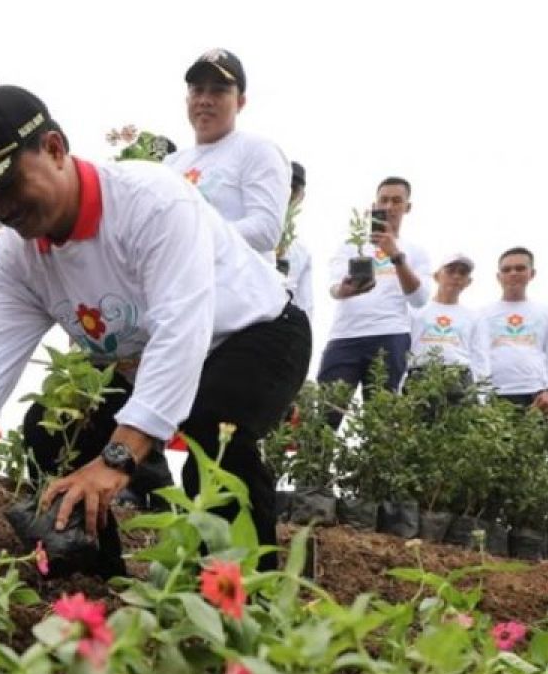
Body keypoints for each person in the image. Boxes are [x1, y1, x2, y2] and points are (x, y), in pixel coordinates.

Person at [0, 86, 311, 569]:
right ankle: (96, 573)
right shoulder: (17, 256)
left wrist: (117, 460)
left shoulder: (151, 201)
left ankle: (246, 587)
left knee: (214, 430)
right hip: (148, 356)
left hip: (259, 332)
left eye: (8, 183)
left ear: (53, 148)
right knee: (51, 431)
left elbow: (182, 331)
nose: (0, 207)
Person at [317, 177, 429, 424]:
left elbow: (419, 300)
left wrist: (396, 255)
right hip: (345, 337)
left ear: (407, 207)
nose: (389, 206)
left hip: (390, 336)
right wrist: (344, 290)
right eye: (384, 200)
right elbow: (333, 288)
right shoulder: (351, 245)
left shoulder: (415, 251)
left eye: (397, 201)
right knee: (325, 416)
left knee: (381, 422)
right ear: (373, 205)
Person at [164, 49, 290, 263]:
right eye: (198, 90)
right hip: (185, 291)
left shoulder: (256, 150)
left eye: (218, 91)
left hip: (239, 294)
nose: (205, 100)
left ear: (240, 102)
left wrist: (192, 239)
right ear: (187, 99)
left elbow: (265, 229)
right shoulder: (171, 164)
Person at [481, 247, 548, 413]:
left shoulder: (545, 314)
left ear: (532, 274)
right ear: (498, 277)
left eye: (520, 268)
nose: (513, 273)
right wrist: (480, 397)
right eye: (506, 269)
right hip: (494, 396)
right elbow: (476, 357)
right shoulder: (482, 315)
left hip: (536, 397)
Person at [407, 253, 489, 388]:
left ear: (468, 282)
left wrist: (482, 395)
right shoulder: (415, 311)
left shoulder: (474, 317)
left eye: (462, 273)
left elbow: (479, 357)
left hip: (459, 378)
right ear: (436, 276)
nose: (456, 276)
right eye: (450, 271)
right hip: (420, 376)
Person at [277, 161, 313, 318]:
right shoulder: (246, 233)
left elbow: (305, 303)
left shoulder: (301, 251)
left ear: (301, 196)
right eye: (284, 187)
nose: (288, 194)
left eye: (294, 189)